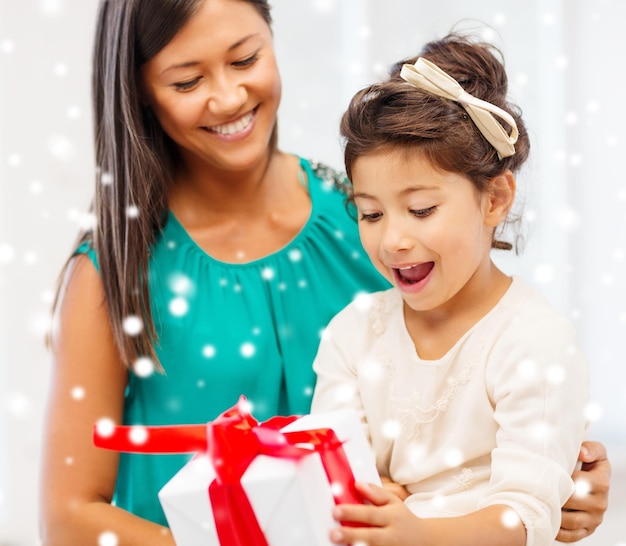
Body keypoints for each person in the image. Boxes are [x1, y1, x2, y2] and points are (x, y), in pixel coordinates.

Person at [37, 1, 609, 544]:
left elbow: (465, 395)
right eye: (187, 81)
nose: (229, 95)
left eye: (245, 59)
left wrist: (560, 474)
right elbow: (67, 521)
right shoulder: (114, 272)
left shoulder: (363, 217)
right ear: (139, 91)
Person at [310, 32, 602, 546]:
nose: (393, 240)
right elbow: (331, 477)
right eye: (371, 213)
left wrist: (417, 531)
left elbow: (527, 516)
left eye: (421, 210)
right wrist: (372, 495)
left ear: (494, 198)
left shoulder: (532, 340)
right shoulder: (352, 334)